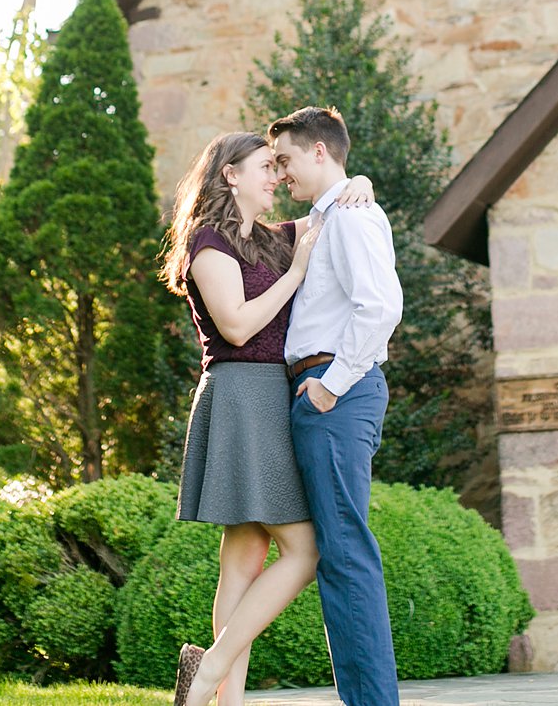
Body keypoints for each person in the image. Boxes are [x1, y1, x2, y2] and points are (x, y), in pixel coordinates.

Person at [161, 131, 374, 706]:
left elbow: (330, 206)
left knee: (244, 558)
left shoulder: (269, 238)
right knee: (303, 551)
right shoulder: (209, 243)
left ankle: (220, 697)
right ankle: (211, 673)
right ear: (230, 174)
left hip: (265, 396)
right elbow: (235, 325)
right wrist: (297, 272)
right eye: (264, 166)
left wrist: (359, 182)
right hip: (240, 394)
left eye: (279, 167)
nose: (276, 176)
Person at [268, 106, 403, 706]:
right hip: (319, 389)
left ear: (319, 152)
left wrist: (331, 384)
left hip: (334, 391)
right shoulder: (330, 215)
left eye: (286, 160)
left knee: (345, 553)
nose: (280, 172)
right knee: (337, 553)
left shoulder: (352, 215)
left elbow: (381, 308)